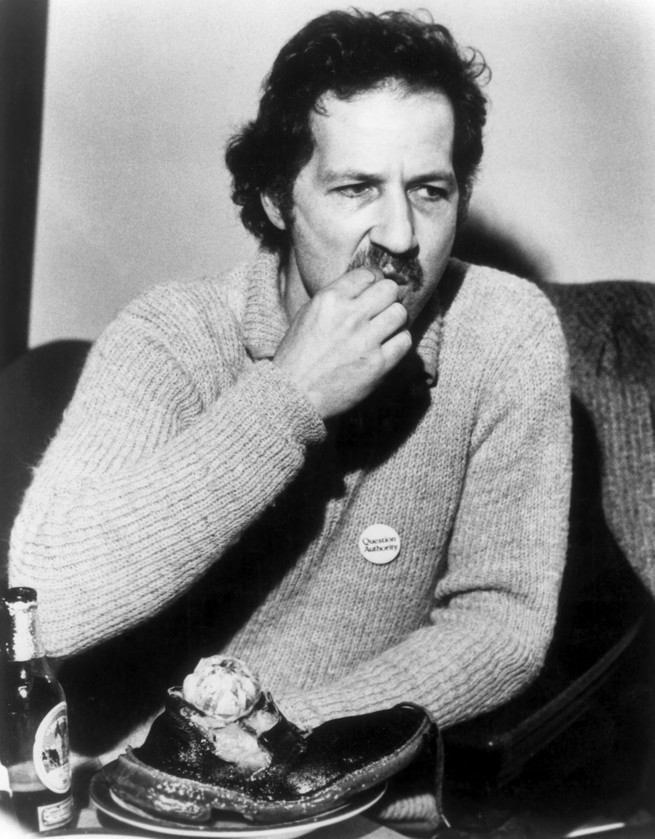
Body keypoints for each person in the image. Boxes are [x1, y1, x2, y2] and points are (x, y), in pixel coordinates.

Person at [9, 8, 571, 832]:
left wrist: (270, 751)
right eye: (354, 189)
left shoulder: (503, 331)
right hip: (136, 804)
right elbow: (46, 603)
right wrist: (287, 398)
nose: (400, 237)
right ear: (276, 199)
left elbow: (504, 620)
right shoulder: (170, 335)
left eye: (429, 189)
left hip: (345, 799)